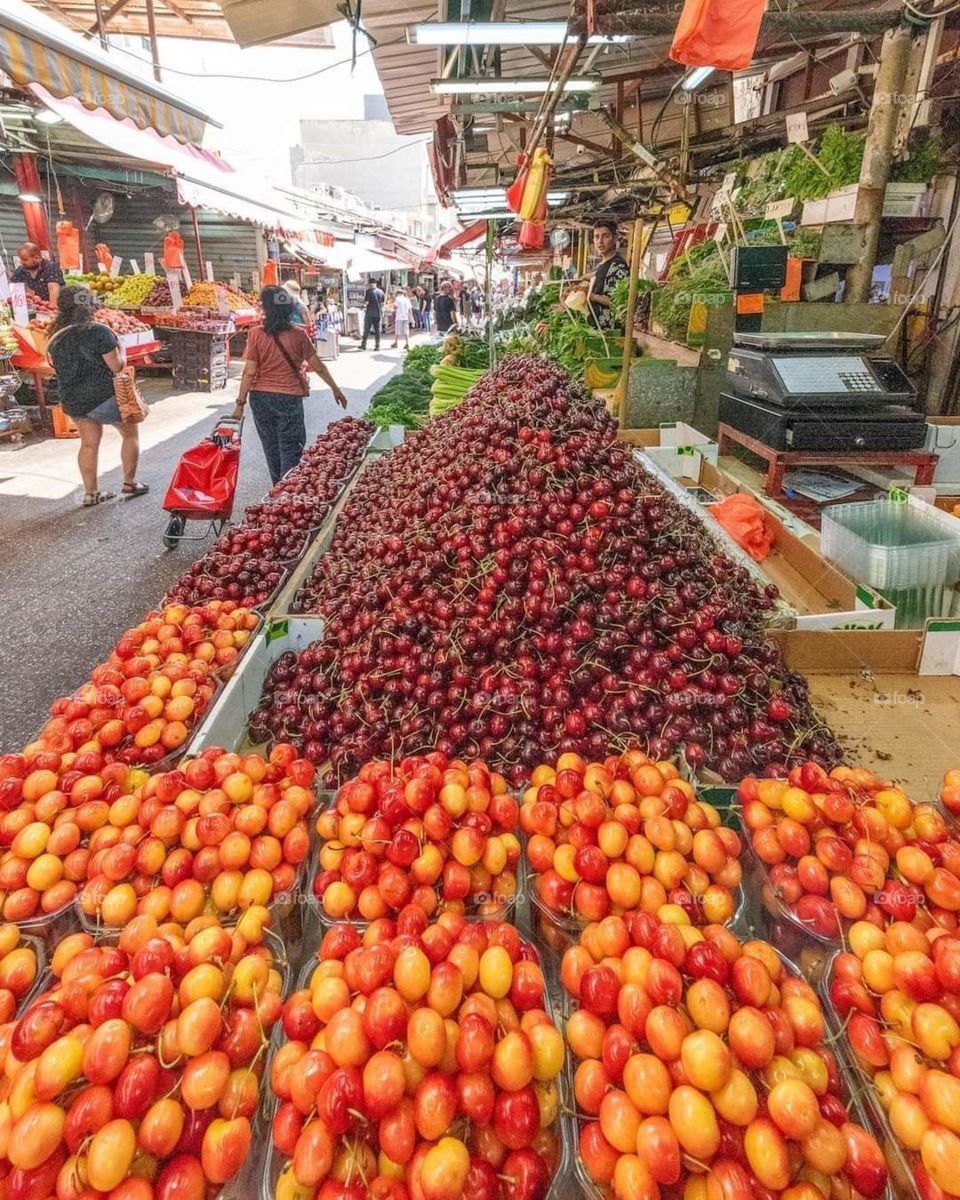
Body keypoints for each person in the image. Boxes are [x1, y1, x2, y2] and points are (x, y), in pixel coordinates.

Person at [234, 285, 347, 485]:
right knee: (290, 446)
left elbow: (249, 371)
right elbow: (318, 367)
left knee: (271, 446)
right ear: (288, 308)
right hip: (288, 398)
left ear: (266, 308)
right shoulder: (298, 335)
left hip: (260, 398)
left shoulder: (255, 334)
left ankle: (278, 488)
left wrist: (240, 404)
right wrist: (335, 389)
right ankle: (289, 490)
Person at [46, 286, 148, 507]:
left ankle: (91, 494)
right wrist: (122, 349)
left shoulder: (55, 337)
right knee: (130, 435)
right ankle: (130, 483)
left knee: (89, 444)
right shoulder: (99, 331)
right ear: (89, 305)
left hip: (74, 399)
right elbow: (117, 366)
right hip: (105, 397)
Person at [587, 216, 630, 329]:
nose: (600, 241)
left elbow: (619, 303)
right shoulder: (601, 266)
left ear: (615, 238)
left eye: (605, 236)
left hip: (610, 331)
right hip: (596, 329)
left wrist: (592, 296)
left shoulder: (619, 267)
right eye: (596, 237)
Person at [360, 278, 385, 351]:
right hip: (378, 313)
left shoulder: (369, 291)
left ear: (370, 284)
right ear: (376, 284)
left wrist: (362, 303)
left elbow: (366, 303)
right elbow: (383, 303)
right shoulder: (381, 292)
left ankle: (363, 345)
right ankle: (377, 346)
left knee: (366, 329)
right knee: (377, 330)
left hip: (370, 314)